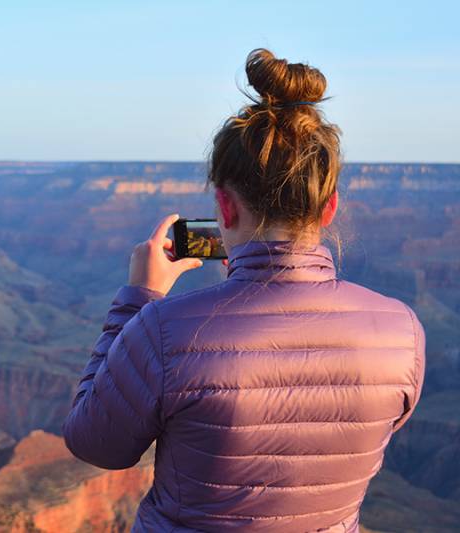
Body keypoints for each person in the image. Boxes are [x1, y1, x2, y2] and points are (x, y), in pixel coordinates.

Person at [62, 48, 426, 532]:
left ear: (224, 209)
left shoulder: (163, 332)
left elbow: (95, 444)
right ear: (329, 207)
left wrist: (138, 300)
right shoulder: (402, 332)